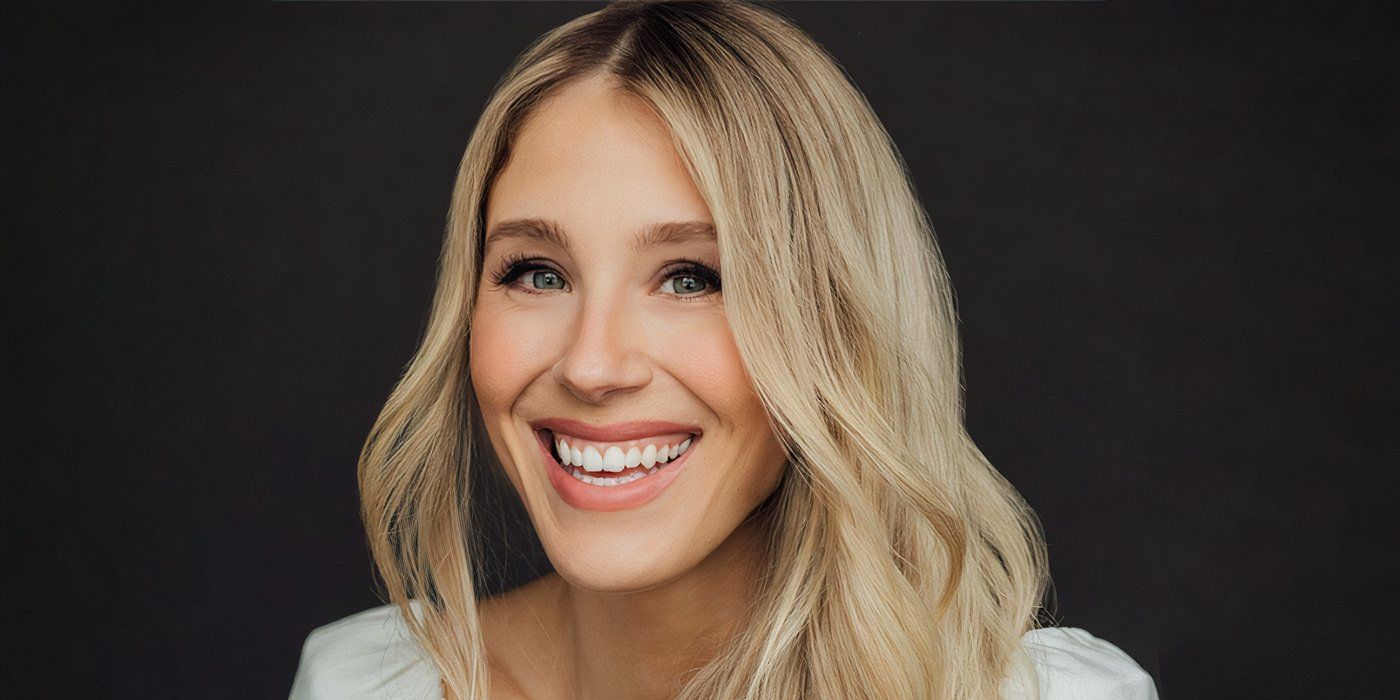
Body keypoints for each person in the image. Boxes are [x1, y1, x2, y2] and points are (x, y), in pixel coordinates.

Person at [289, 1, 1157, 697]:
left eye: (693, 278)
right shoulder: (361, 684)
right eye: (538, 273)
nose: (593, 366)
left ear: (835, 324)